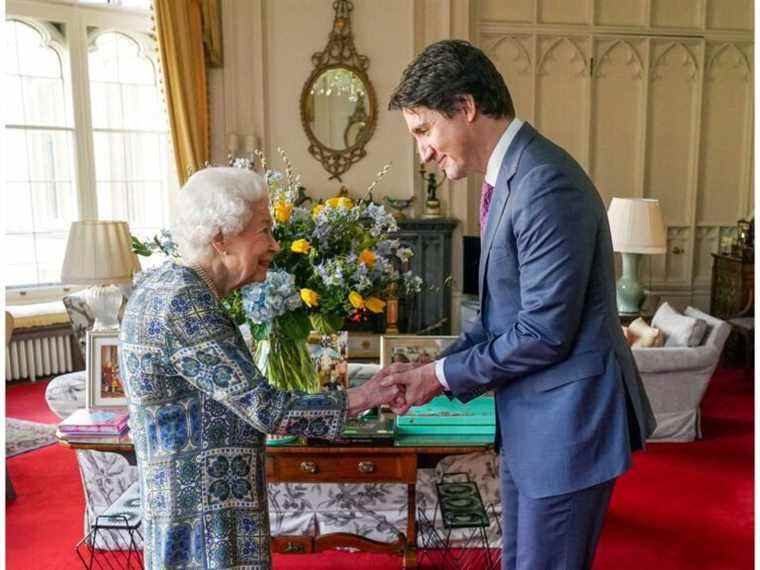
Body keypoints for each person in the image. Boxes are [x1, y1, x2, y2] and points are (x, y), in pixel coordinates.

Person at [382, 40, 656, 569]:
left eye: (424, 131)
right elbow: (497, 320)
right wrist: (430, 364)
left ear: (465, 108)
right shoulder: (511, 177)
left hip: (567, 429)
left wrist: (439, 377)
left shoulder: (545, 182)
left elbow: (542, 333)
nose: (423, 153)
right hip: (535, 424)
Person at [119, 167, 399, 569]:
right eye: (264, 230)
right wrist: (363, 396)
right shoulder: (185, 303)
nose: (274, 244)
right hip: (206, 518)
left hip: (188, 505)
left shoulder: (163, 285)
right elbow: (266, 409)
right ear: (220, 238)